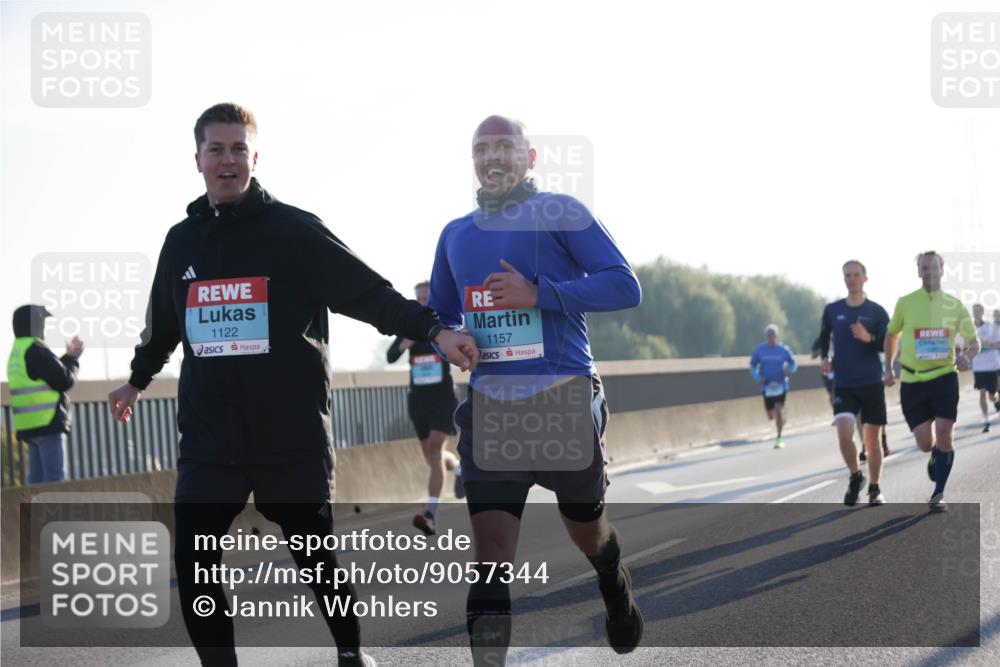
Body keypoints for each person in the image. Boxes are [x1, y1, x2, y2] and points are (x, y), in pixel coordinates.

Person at [105, 103, 478, 667]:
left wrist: (433, 329)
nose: (227, 160)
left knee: (316, 561)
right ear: (198, 160)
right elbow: (164, 323)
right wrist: (136, 380)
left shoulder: (293, 231)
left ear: (255, 157)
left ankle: (350, 653)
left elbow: (368, 293)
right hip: (210, 440)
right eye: (216, 150)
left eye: (237, 150)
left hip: (291, 437)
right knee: (193, 562)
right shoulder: (181, 242)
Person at [429, 115, 644, 665]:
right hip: (491, 407)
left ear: (530, 157)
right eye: (482, 148)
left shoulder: (561, 213)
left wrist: (538, 293)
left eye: (505, 146)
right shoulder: (455, 233)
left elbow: (624, 286)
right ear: (473, 159)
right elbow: (443, 313)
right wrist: (450, 338)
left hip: (562, 400)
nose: (493, 157)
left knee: (588, 536)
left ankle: (612, 583)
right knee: (491, 557)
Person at [884, 251, 979, 513]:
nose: (929, 272)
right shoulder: (905, 303)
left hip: (944, 377)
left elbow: (974, 341)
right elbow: (891, 335)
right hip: (913, 381)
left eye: (933, 267)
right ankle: (935, 455)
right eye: (924, 268)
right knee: (925, 443)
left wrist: (968, 356)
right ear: (918, 272)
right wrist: (889, 367)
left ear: (942, 270)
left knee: (945, 433)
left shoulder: (954, 305)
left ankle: (938, 494)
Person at [386, 280, 464, 536]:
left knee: (434, 450)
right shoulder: (411, 327)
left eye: (426, 299)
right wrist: (403, 343)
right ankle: (460, 469)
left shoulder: (443, 327)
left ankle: (430, 513)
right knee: (433, 457)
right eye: (418, 299)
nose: (422, 303)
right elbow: (390, 356)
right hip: (418, 400)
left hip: (442, 397)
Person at [817, 260, 890, 506]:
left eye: (856, 275)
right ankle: (855, 476)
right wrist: (826, 358)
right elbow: (824, 340)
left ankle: (874, 487)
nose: (851, 279)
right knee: (844, 434)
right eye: (847, 275)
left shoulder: (877, 312)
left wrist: (869, 338)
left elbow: (889, 344)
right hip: (844, 384)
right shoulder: (832, 310)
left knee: (872, 440)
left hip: (871, 382)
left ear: (865, 279)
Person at [6, 305, 82, 483]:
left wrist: (67, 357)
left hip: (29, 425)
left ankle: (32, 511)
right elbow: (64, 380)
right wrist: (73, 358)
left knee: (36, 480)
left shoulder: (18, 351)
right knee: (55, 480)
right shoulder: (36, 349)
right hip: (47, 422)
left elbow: (43, 373)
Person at [749, 324, 797, 449]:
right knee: (771, 415)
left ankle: (779, 437)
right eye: (769, 335)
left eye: (773, 334)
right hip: (767, 386)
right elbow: (752, 366)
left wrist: (789, 369)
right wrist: (758, 378)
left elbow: (793, 364)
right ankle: (781, 414)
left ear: (777, 336)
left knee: (778, 408)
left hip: (781, 384)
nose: (771, 337)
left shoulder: (783, 349)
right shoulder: (759, 350)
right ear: (766, 336)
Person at [970, 304, 1000, 432]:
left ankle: (997, 399)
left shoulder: (991, 327)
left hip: (992, 365)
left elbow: (998, 344)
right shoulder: (969, 329)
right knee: (981, 393)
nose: (976, 313)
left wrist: (985, 344)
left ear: (982, 312)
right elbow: (966, 344)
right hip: (978, 366)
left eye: (978, 311)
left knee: (991, 396)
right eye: (974, 311)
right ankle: (986, 420)